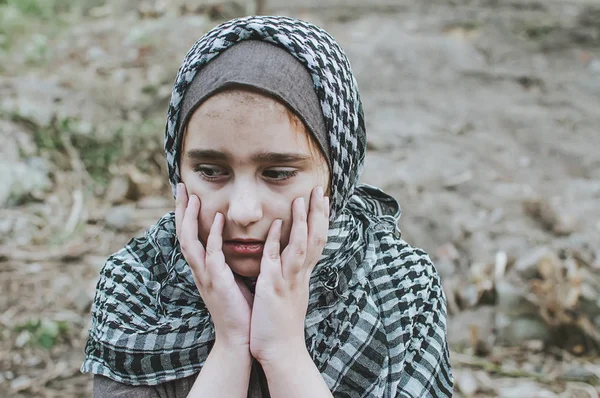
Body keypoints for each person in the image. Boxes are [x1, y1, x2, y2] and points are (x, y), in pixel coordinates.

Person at [81, 15, 453, 398]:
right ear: (179, 170)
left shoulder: (400, 288)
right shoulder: (138, 286)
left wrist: (284, 352)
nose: (243, 212)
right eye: (210, 171)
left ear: (335, 175)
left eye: (277, 173)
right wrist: (231, 344)